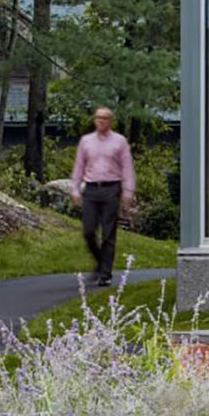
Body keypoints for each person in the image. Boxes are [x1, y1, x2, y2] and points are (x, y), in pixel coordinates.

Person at [70, 107, 135, 286]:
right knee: (88, 230)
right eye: (98, 118)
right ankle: (100, 262)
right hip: (91, 188)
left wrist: (128, 191)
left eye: (105, 118)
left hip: (111, 188)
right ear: (94, 120)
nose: (101, 121)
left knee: (108, 233)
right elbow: (79, 166)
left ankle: (105, 273)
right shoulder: (86, 141)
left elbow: (127, 167)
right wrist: (75, 189)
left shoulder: (119, 142)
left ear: (110, 121)